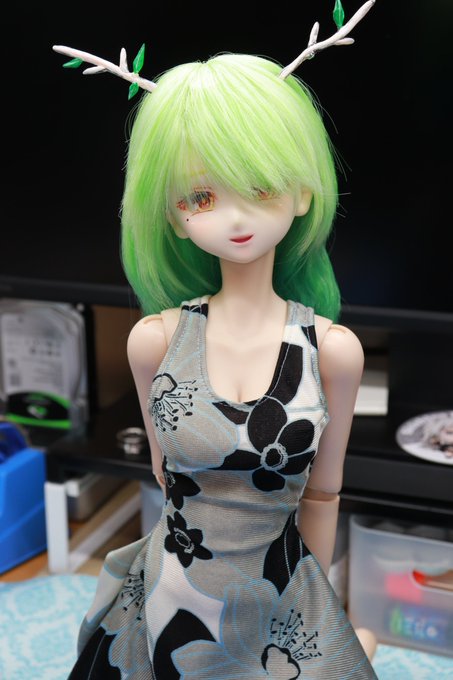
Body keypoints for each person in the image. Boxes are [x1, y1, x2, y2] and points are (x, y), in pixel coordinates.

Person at [59, 18, 378, 679]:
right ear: (176, 215)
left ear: (302, 192)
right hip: (171, 597)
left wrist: (315, 619)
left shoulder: (332, 351)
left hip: (279, 598)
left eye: (259, 186)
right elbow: (166, 477)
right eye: (202, 195)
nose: (234, 217)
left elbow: (322, 496)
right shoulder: (155, 341)